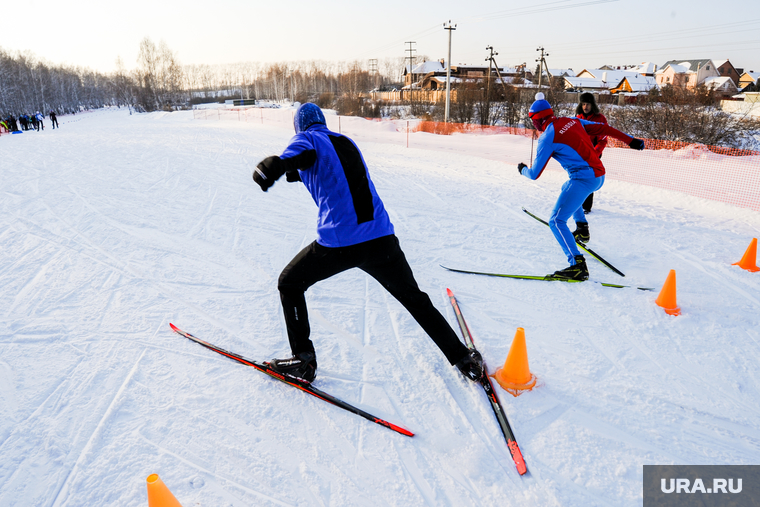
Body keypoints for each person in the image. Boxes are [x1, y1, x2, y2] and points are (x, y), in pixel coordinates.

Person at [251, 102, 483, 383]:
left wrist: (278, 165)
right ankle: (463, 358)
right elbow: (329, 170)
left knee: (290, 283)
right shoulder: (344, 141)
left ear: (298, 127)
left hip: (341, 243)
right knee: (415, 299)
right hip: (382, 239)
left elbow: (298, 156)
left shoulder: (305, 139)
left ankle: (303, 360)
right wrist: (296, 173)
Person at [517, 93, 645, 281]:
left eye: (532, 120)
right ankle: (582, 228)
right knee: (567, 189)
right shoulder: (572, 120)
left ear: (536, 120)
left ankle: (577, 265)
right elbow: (604, 128)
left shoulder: (547, 138)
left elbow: (535, 174)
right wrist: (631, 140)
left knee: (556, 221)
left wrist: (523, 170)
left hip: (583, 179)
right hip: (599, 175)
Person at [575, 92, 608, 215]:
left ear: (592, 105)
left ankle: (586, 206)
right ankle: (577, 203)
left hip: (593, 155)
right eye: (583, 104)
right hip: (579, 155)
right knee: (578, 178)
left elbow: (603, 139)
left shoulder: (600, 119)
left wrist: (595, 153)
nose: (585, 107)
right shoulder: (578, 118)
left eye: (588, 104)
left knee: (589, 179)